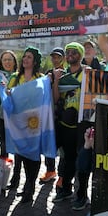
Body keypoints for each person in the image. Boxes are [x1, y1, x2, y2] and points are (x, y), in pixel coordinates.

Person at [51, 42, 91, 211]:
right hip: (66, 124)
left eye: (74, 52)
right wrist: (56, 81)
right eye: (68, 52)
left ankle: (82, 194)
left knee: (83, 162)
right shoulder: (64, 75)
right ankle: (66, 189)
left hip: (83, 125)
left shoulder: (88, 73)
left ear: (80, 55)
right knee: (67, 159)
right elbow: (55, 99)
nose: (70, 55)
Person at [6, 46, 44, 203]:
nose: (25, 59)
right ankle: (26, 187)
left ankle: (30, 187)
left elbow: (43, 98)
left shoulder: (40, 78)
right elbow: (8, 96)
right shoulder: (15, 77)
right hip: (19, 124)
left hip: (35, 123)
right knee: (21, 155)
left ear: (35, 61)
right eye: (24, 56)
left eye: (29, 57)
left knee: (33, 157)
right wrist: (8, 93)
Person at [38, 47, 66, 184]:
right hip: (50, 115)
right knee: (49, 144)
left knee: (63, 148)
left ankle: (62, 175)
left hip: (65, 116)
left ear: (64, 58)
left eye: (58, 57)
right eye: (53, 57)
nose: (55, 60)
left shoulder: (67, 73)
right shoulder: (49, 73)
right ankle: (50, 170)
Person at [0, 50, 18, 159]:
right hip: (1, 115)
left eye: (9, 59)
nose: (7, 62)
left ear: (14, 62)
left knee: (18, 144)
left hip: (17, 115)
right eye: (4, 60)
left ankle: (17, 171)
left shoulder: (20, 76)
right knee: (3, 143)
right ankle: (3, 168)